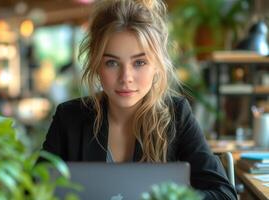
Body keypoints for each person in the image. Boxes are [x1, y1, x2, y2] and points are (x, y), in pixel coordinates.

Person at [42, 0, 237, 199]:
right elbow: (33, 190)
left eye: (140, 62)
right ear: (96, 65)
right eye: (111, 62)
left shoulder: (176, 115)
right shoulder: (69, 117)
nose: (126, 77)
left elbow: (224, 194)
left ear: (157, 65)